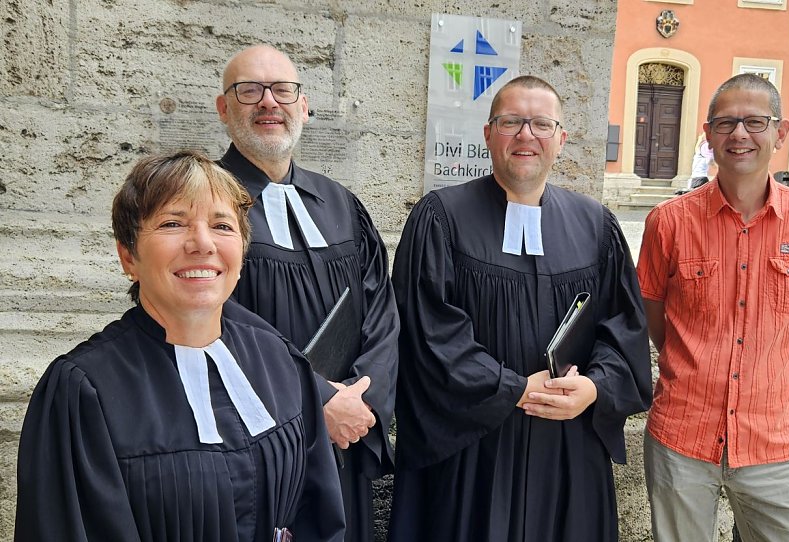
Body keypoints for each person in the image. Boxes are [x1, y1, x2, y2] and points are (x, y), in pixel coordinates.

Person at [14, 151, 345, 541]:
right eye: (173, 223)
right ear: (128, 257)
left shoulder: (279, 360)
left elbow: (318, 516)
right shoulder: (84, 390)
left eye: (222, 225)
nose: (202, 244)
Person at [388, 75, 653, 541]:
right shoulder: (441, 218)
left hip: (568, 447)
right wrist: (509, 387)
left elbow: (624, 328)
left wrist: (594, 388)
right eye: (511, 122)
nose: (526, 135)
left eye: (541, 124)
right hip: (475, 450)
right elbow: (427, 332)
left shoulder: (595, 226)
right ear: (489, 134)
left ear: (562, 139)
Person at [637, 73, 789, 541]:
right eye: (725, 123)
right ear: (708, 135)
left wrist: (774, 362)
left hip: (776, 441)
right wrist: (697, 364)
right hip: (683, 437)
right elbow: (653, 314)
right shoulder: (669, 222)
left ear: (780, 133)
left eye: (754, 121)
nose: (739, 134)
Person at [215, 45, 399, 542]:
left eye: (283, 90)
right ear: (223, 107)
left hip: (344, 434)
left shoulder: (340, 202)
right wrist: (317, 402)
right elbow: (213, 322)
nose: (269, 102)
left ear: (304, 105)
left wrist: (363, 400)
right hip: (258, 440)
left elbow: (381, 313)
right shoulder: (204, 202)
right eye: (249, 90)